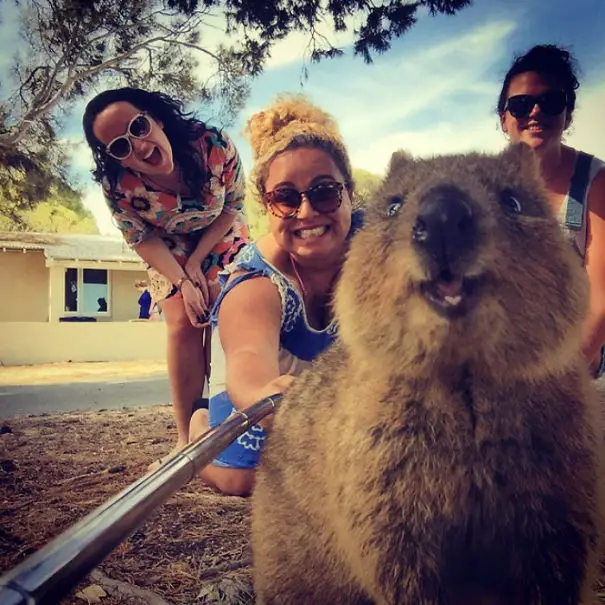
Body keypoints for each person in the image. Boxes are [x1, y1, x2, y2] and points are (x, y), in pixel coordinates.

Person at [188, 94, 365, 496]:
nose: (306, 212)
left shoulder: (381, 244)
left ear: (350, 193)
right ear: (267, 208)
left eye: (324, 192)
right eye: (285, 198)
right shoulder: (255, 282)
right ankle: (199, 427)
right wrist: (262, 395)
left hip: (338, 377)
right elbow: (249, 359)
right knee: (243, 480)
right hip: (272, 375)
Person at [82, 88, 250, 468]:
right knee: (181, 319)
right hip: (165, 245)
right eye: (121, 146)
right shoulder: (117, 186)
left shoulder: (212, 144)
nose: (139, 147)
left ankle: (229, 428)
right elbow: (141, 237)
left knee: (226, 308)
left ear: (156, 117)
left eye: (138, 127)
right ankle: (185, 440)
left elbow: (234, 208)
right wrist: (185, 281)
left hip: (218, 232)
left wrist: (199, 265)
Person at [498, 44, 605, 378]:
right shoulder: (485, 186)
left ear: (567, 115)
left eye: (550, 102)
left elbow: (599, 303)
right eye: (520, 104)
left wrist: (552, 386)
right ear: (504, 119)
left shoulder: (596, 183)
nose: (534, 113)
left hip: (573, 367)